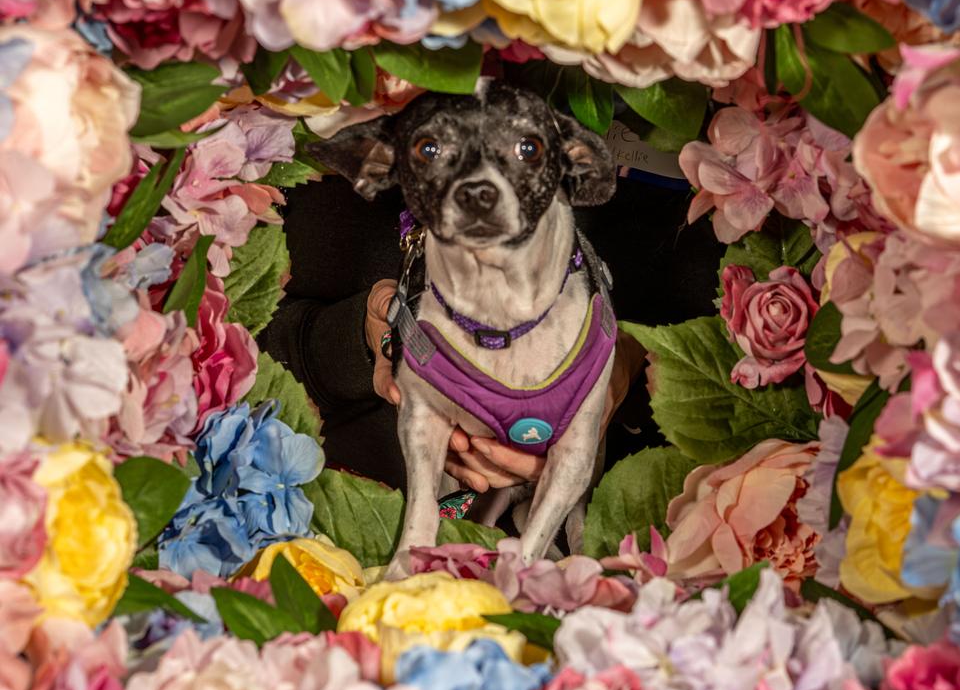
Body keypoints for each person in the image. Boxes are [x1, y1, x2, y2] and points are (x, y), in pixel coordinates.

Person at [259, 123, 723, 497]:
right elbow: (236, 345)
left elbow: (754, 390)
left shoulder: (731, 191)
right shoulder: (342, 149)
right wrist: (361, 340)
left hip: (626, 557)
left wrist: (626, 365)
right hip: (330, 525)